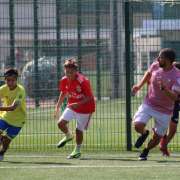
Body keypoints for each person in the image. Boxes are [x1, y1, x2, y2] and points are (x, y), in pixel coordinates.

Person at [132, 48, 180, 160]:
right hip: (149, 103)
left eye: (160, 57)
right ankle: (144, 133)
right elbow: (148, 74)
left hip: (165, 110)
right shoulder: (155, 65)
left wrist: (164, 89)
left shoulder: (177, 76)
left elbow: (174, 97)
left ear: (168, 60)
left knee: (157, 137)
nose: (158, 59)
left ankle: (146, 151)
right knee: (137, 125)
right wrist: (138, 86)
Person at [54, 58, 95, 159]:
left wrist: (78, 104)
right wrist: (57, 106)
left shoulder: (83, 81)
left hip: (85, 108)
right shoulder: (64, 80)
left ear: (76, 71)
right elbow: (63, 92)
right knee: (60, 123)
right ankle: (68, 135)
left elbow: (90, 97)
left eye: (71, 72)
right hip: (72, 106)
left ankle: (77, 150)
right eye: (67, 72)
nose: (69, 74)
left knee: (78, 130)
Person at [0, 68, 26, 161]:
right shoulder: (3, 89)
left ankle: (2, 152)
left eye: (13, 80)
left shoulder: (21, 90)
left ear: (16, 80)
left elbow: (12, 107)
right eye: (8, 80)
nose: (10, 82)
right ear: (5, 80)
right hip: (5, 117)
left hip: (18, 120)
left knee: (6, 141)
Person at [159, 62, 180, 156]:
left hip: (176, 103)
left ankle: (163, 145)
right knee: (170, 129)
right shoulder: (170, 80)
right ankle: (163, 145)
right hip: (172, 104)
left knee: (172, 130)